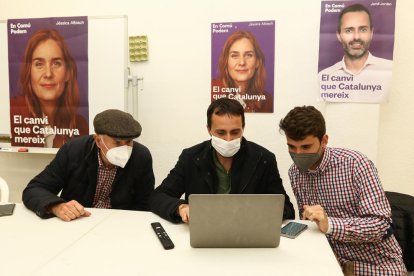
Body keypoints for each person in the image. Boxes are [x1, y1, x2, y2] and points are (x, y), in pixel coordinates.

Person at [279, 106, 407, 275]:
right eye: (292, 147)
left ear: (324, 140)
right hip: (330, 261)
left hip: (377, 265)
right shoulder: (295, 173)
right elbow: (312, 223)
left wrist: (330, 224)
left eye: (306, 147)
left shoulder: (356, 165)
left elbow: (381, 225)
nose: (298, 154)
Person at [149, 98, 294, 223]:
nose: (228, 139)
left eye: (235, 132)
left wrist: (256, 212)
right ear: (209, 129)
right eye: (221, 132)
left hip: (247, 235)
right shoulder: (191, 157)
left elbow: (286, 208)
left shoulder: (263, 159)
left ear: (243, 128)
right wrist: (181, 207)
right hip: (204, 233)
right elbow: (158, 197)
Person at [22, 109, 155, 222]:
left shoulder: (140, 156)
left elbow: (145, 203)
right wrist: (56, 206)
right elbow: (34, 189)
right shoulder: (73, 150)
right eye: (118, 143)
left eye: (129, 142)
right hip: (79, 220)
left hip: (119, 223)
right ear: (98, 140)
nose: (125, 148)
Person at [10, 28, 88, 148]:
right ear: (29, 72)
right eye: (39, 64)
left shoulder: (80, 126)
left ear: (68, 73)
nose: (48, 74)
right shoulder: (12, 114)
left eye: (56, 63)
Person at [318, 4, 393, 102]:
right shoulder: (323, 76)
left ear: (371, 33)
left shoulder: (389, 69)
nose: (356, 37)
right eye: (349, 30)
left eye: (363, 30)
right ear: (339, 35)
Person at [211, 30, 273, 112]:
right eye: (234, 56)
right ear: (226, 61)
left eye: (248, 55)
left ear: (257, 62)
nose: (242, 62)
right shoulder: (211, 91)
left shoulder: (267, 101)